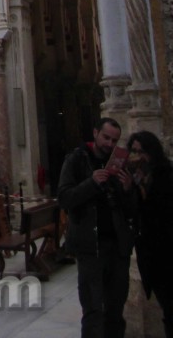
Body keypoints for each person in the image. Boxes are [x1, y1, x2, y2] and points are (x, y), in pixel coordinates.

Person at [58, 117, 135, 338]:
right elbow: (64, 198)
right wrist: (90, 183)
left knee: (115, 309)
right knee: (93, 310)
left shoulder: (119, 162)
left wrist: (128, 190)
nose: (110, 144)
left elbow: (129, 210)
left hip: (117, 246)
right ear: (95, 133)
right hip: (91, 247)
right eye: (106, 137)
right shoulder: (76, 159)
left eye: (114, 140)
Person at [126, 130, 173, 338]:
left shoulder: (166, 175)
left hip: (168, 251)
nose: (138, 156)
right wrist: (132, 191)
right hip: (151, 255)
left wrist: (144, 192)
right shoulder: (136, 181)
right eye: (134, 151)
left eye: (142, 151)